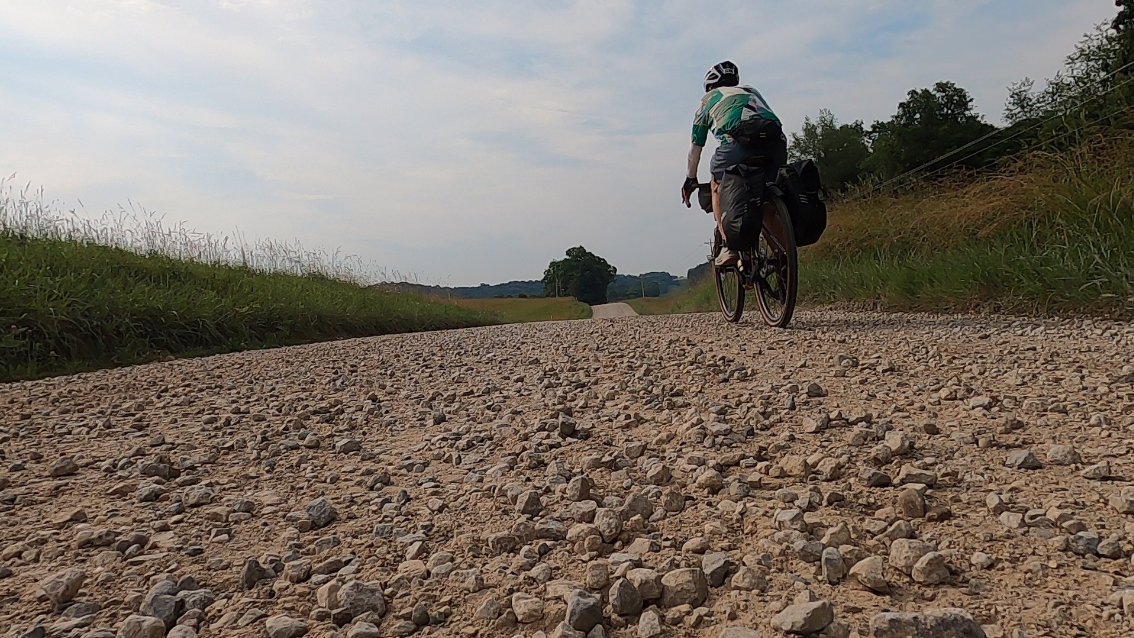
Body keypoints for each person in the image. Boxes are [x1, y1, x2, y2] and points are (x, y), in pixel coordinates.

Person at [681, 61, 786, 266]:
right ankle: (784, 258)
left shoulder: (708, 100)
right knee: (765, 203)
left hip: (737, 146)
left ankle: (730, 247)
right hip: (776, 144)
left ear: (710, 85)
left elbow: (696, 147)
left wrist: (690, 178)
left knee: (716, 185)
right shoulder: (751, 90)